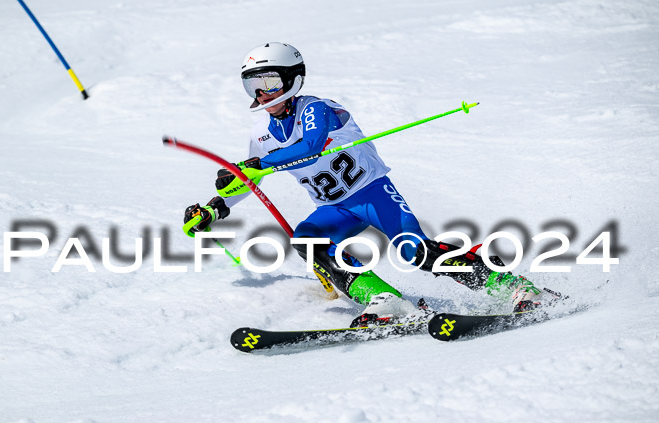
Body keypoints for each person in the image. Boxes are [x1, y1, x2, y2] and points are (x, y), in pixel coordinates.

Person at [184, 42, 549, 325]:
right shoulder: (261, 132)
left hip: (373, 193)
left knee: (413, 251)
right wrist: (216, 208)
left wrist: (258, 164)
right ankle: (385, 299)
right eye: (253, 85)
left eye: (269, 82)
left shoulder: (316, 108)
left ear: (292, 79)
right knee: (306, 239)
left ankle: (513, 287)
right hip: (334, 208)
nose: (262, 93)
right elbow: (250, 179)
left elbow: (310, 149)